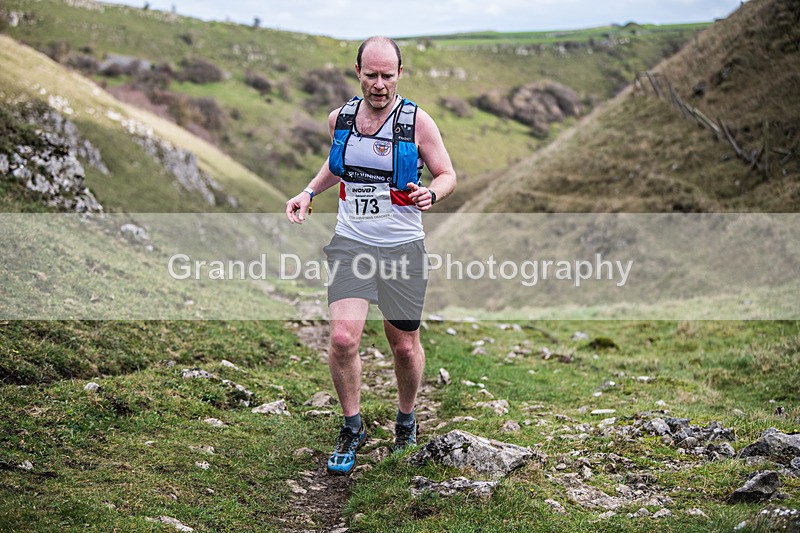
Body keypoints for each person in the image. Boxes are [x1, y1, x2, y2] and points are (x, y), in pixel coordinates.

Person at [285, 36, 456, 476]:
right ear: (357, 71)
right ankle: (352, 426)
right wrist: (308, 192)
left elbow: (447, 173)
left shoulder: (417, 122)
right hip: (351, 244)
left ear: (400, 73)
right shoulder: (339, 118)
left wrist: (431, 194)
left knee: (403, 345)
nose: (379, 84)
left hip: (402, 247)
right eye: (371, 74)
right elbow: (336, 164)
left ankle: (405, 419)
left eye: (387, 75)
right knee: (343, 339)